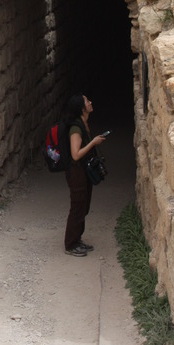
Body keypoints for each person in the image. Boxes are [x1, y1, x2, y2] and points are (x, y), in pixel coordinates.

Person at [64, 93, 107, 257]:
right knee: (77, 207)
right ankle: (70, 244)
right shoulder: (76, 128)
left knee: (83, 206)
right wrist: (93, 143)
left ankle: (77, 239)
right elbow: (75, 155)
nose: (90, 102)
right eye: (87, 101)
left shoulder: (84, 123)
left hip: (83, 171)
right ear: (82, 108)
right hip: (76, 172)